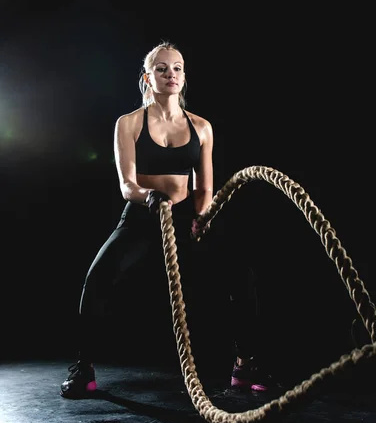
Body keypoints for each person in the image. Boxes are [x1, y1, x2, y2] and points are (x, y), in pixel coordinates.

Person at [60, 41, 274, 399]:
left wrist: (202, 217)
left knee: (242, 275)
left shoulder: (201, 127)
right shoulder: (128, 124)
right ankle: (84, 368)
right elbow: (127, 184)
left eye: (177, 68)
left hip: (188, 216)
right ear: (148, 77)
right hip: (144, 214)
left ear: (184, 76)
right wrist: (149, 197)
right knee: (98, 277)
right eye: (162, 68)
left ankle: (245, 365)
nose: (170, 74)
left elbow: (205, 186)